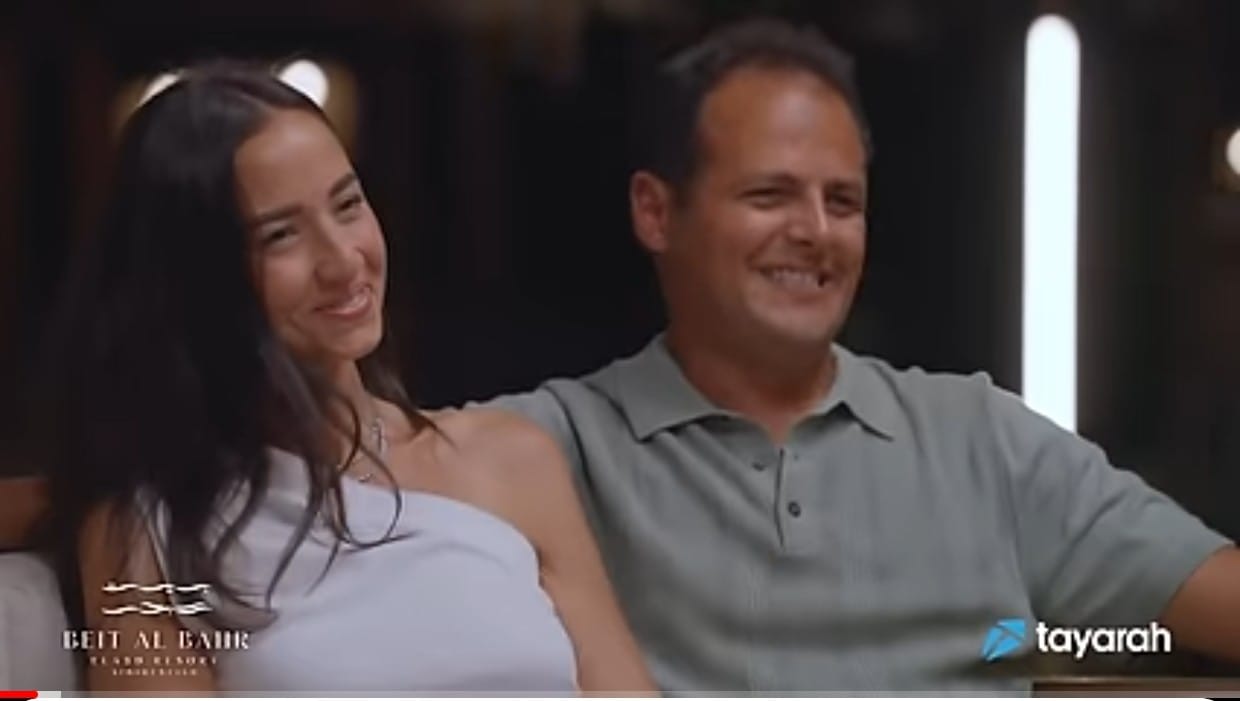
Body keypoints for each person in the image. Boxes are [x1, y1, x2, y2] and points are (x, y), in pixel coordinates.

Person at [483, 17, 1240, 693]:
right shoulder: (553, 446)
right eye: (770, 195)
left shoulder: (982, 440)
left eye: (842, 202)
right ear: (656, 212)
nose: (816, 231)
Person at [33, 63, 654, 695]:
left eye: (348, 204)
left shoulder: (512, 458)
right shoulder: (147, 529)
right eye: (281, 235)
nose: (342, 261)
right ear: (197, 281)